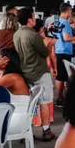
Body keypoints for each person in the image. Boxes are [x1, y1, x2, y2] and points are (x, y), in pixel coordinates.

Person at [14, 7, 56, 141]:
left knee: (29, 103)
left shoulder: (16, 34)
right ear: (29, 20)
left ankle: (25, 130)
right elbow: (45, 53)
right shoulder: (33, 35)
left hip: (25, 71)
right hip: (39, 71)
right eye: (33, 16)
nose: (35, 19)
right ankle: (46, 130)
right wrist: (49, 43)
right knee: (44, 101)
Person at [0, 49, 30, 136]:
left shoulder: (11, 77)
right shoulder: (9, 76)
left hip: (15, 121)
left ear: (6, 61)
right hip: (14, 118)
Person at [51, 3, 75, 106]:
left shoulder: (56, 20)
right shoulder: (66, 23)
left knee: (60, 76)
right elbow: (66, 38)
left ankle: (60, 97)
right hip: (64, 51)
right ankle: (59, 98)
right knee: (62, 77)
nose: (71, 13)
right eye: (70, 11)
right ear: (67, 11)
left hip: (58, 49)